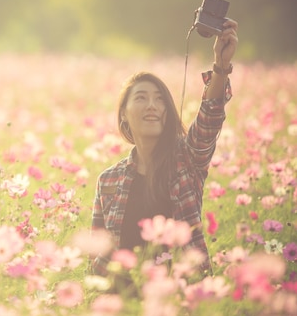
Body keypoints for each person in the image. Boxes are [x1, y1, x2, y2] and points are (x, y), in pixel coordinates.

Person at [90, 18, 238, 279]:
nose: (152, 105)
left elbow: (210, 116)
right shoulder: (108, 181)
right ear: (123, 114)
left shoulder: (187, 160)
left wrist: (221, 65)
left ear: (167, 112)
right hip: (125, 307)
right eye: (141, 98)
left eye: (159, 100)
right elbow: (97, 259)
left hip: (181, 301)